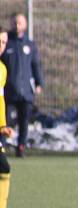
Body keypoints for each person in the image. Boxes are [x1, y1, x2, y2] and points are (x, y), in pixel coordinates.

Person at [0, 13, 44, 158]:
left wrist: (39, 83)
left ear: (24, 24)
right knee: (4, 120)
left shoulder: (30, 44)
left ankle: (21, 147)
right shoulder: (7, 43)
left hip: (25, 91)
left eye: (19, 22)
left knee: (23, 121)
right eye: (14, 22)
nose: (17, 25)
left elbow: (36, 65)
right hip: (8, 90)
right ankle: (2, 146)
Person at [0, 26, 25, 208]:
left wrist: (3, 125)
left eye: (4, 42)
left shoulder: (2, 69)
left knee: (3, 168)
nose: (2, 46)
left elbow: (0, 101)